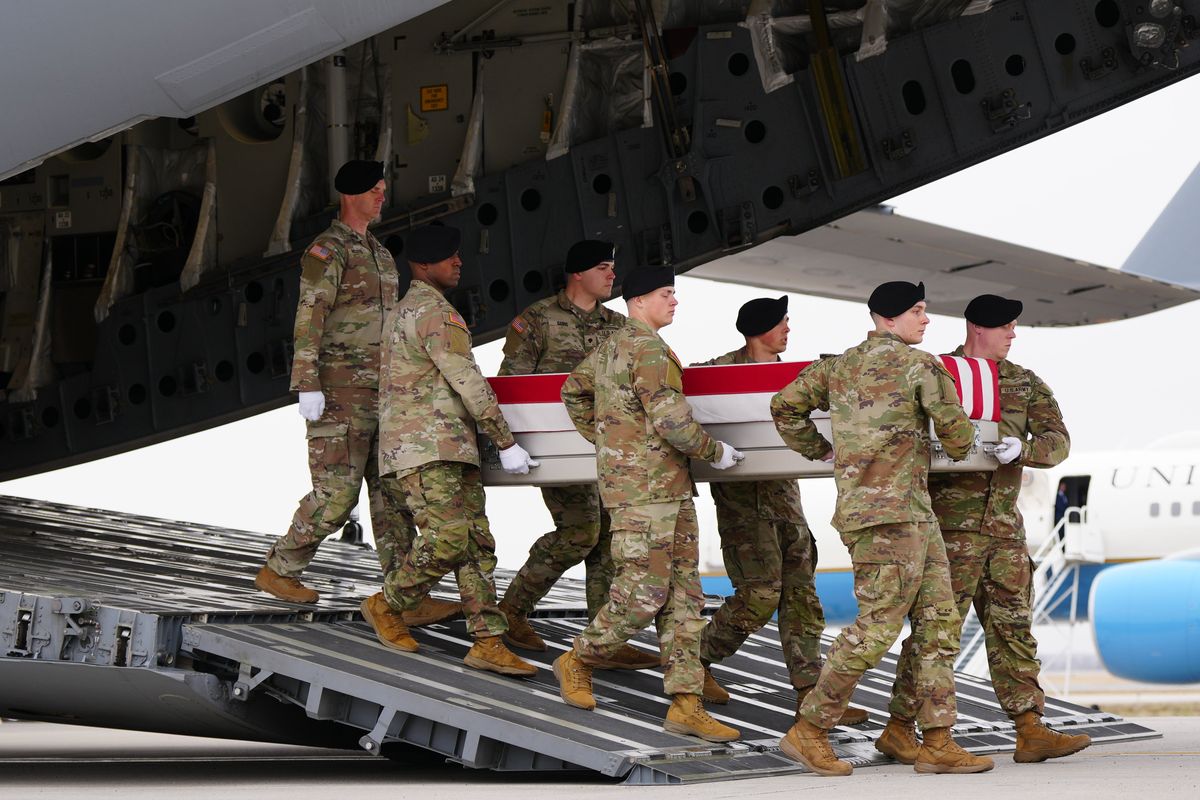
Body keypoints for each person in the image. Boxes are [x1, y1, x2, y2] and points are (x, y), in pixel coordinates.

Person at [770, 280, 993, 776]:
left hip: (901, 515)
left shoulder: (836, 366)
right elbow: (957, 439)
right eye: (917, 311)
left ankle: (936, 739)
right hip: (894, 518)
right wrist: (962, 434)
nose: (926, 320)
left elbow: (784, 406)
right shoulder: (921, 366)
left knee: (938, 623)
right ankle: (809, 730)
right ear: (889, 317)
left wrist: (820, 448)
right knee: (878, 629)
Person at [255, 160, 458, 627]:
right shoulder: (328, 250)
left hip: (378, 391)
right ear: (352, 195)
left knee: (391, 495)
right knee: (337, 494)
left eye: (384, 190)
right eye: (375, 190)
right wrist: (306, 381)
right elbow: (311, 314)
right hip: (338, 391)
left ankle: (405, 595)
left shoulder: (381, 253)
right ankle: (280, 568)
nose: (382, 197)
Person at [890, 294, 1087, 763]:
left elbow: (1058, 442)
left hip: (1003, 529)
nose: (1013, 335)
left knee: (1014, 629)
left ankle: (1030, 729)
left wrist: (1024, 449)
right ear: (980, 327)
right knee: (935, 634)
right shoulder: (937, 375)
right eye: (1007, 327)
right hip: (947, 530)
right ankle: (899, 727)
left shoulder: (1023, 382)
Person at [554, 267, 744, 742]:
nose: (674, 302)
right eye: (666, 294)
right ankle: (578, 657)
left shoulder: (609, 347)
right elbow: (673, 422)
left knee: (684, 599)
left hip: (662, 489)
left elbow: (572, 391)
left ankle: (686, 702)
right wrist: (716, 452)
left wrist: (610, 442)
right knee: (644, 593)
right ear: (638, 301)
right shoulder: (649, 349)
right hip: (648, 492)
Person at [361, 223, 538, 678]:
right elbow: (466, 379)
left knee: (477, 545)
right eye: (448, 257)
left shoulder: (405, 312)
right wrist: (506, 440)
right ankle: (387, 604)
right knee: (450, 539)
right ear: (423, 266)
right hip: (431, 448)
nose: (459, 262)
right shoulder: (435, 313)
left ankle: (487, 641)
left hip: (440, 446)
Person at [694, 296, 868, 725]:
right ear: (759, 329)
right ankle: (694, 662)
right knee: (759, 595)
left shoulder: (798, 375)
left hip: (786, 503)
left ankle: (811, 695)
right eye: (781, 322)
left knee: (803, 599)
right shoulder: (714, 374)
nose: (788, 329)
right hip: (743, 508)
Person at [494, 241, 657, 670]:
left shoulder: (619, 325)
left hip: (607, 449)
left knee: (606, 540)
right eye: (603, 268)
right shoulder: (537, 320)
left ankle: (601, 637)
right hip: (558, 448)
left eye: (613, 268)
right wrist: (515, 444)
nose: (611, 276)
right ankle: (511, 611)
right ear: (577, 275)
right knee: (579, 532)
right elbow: (511, 384)